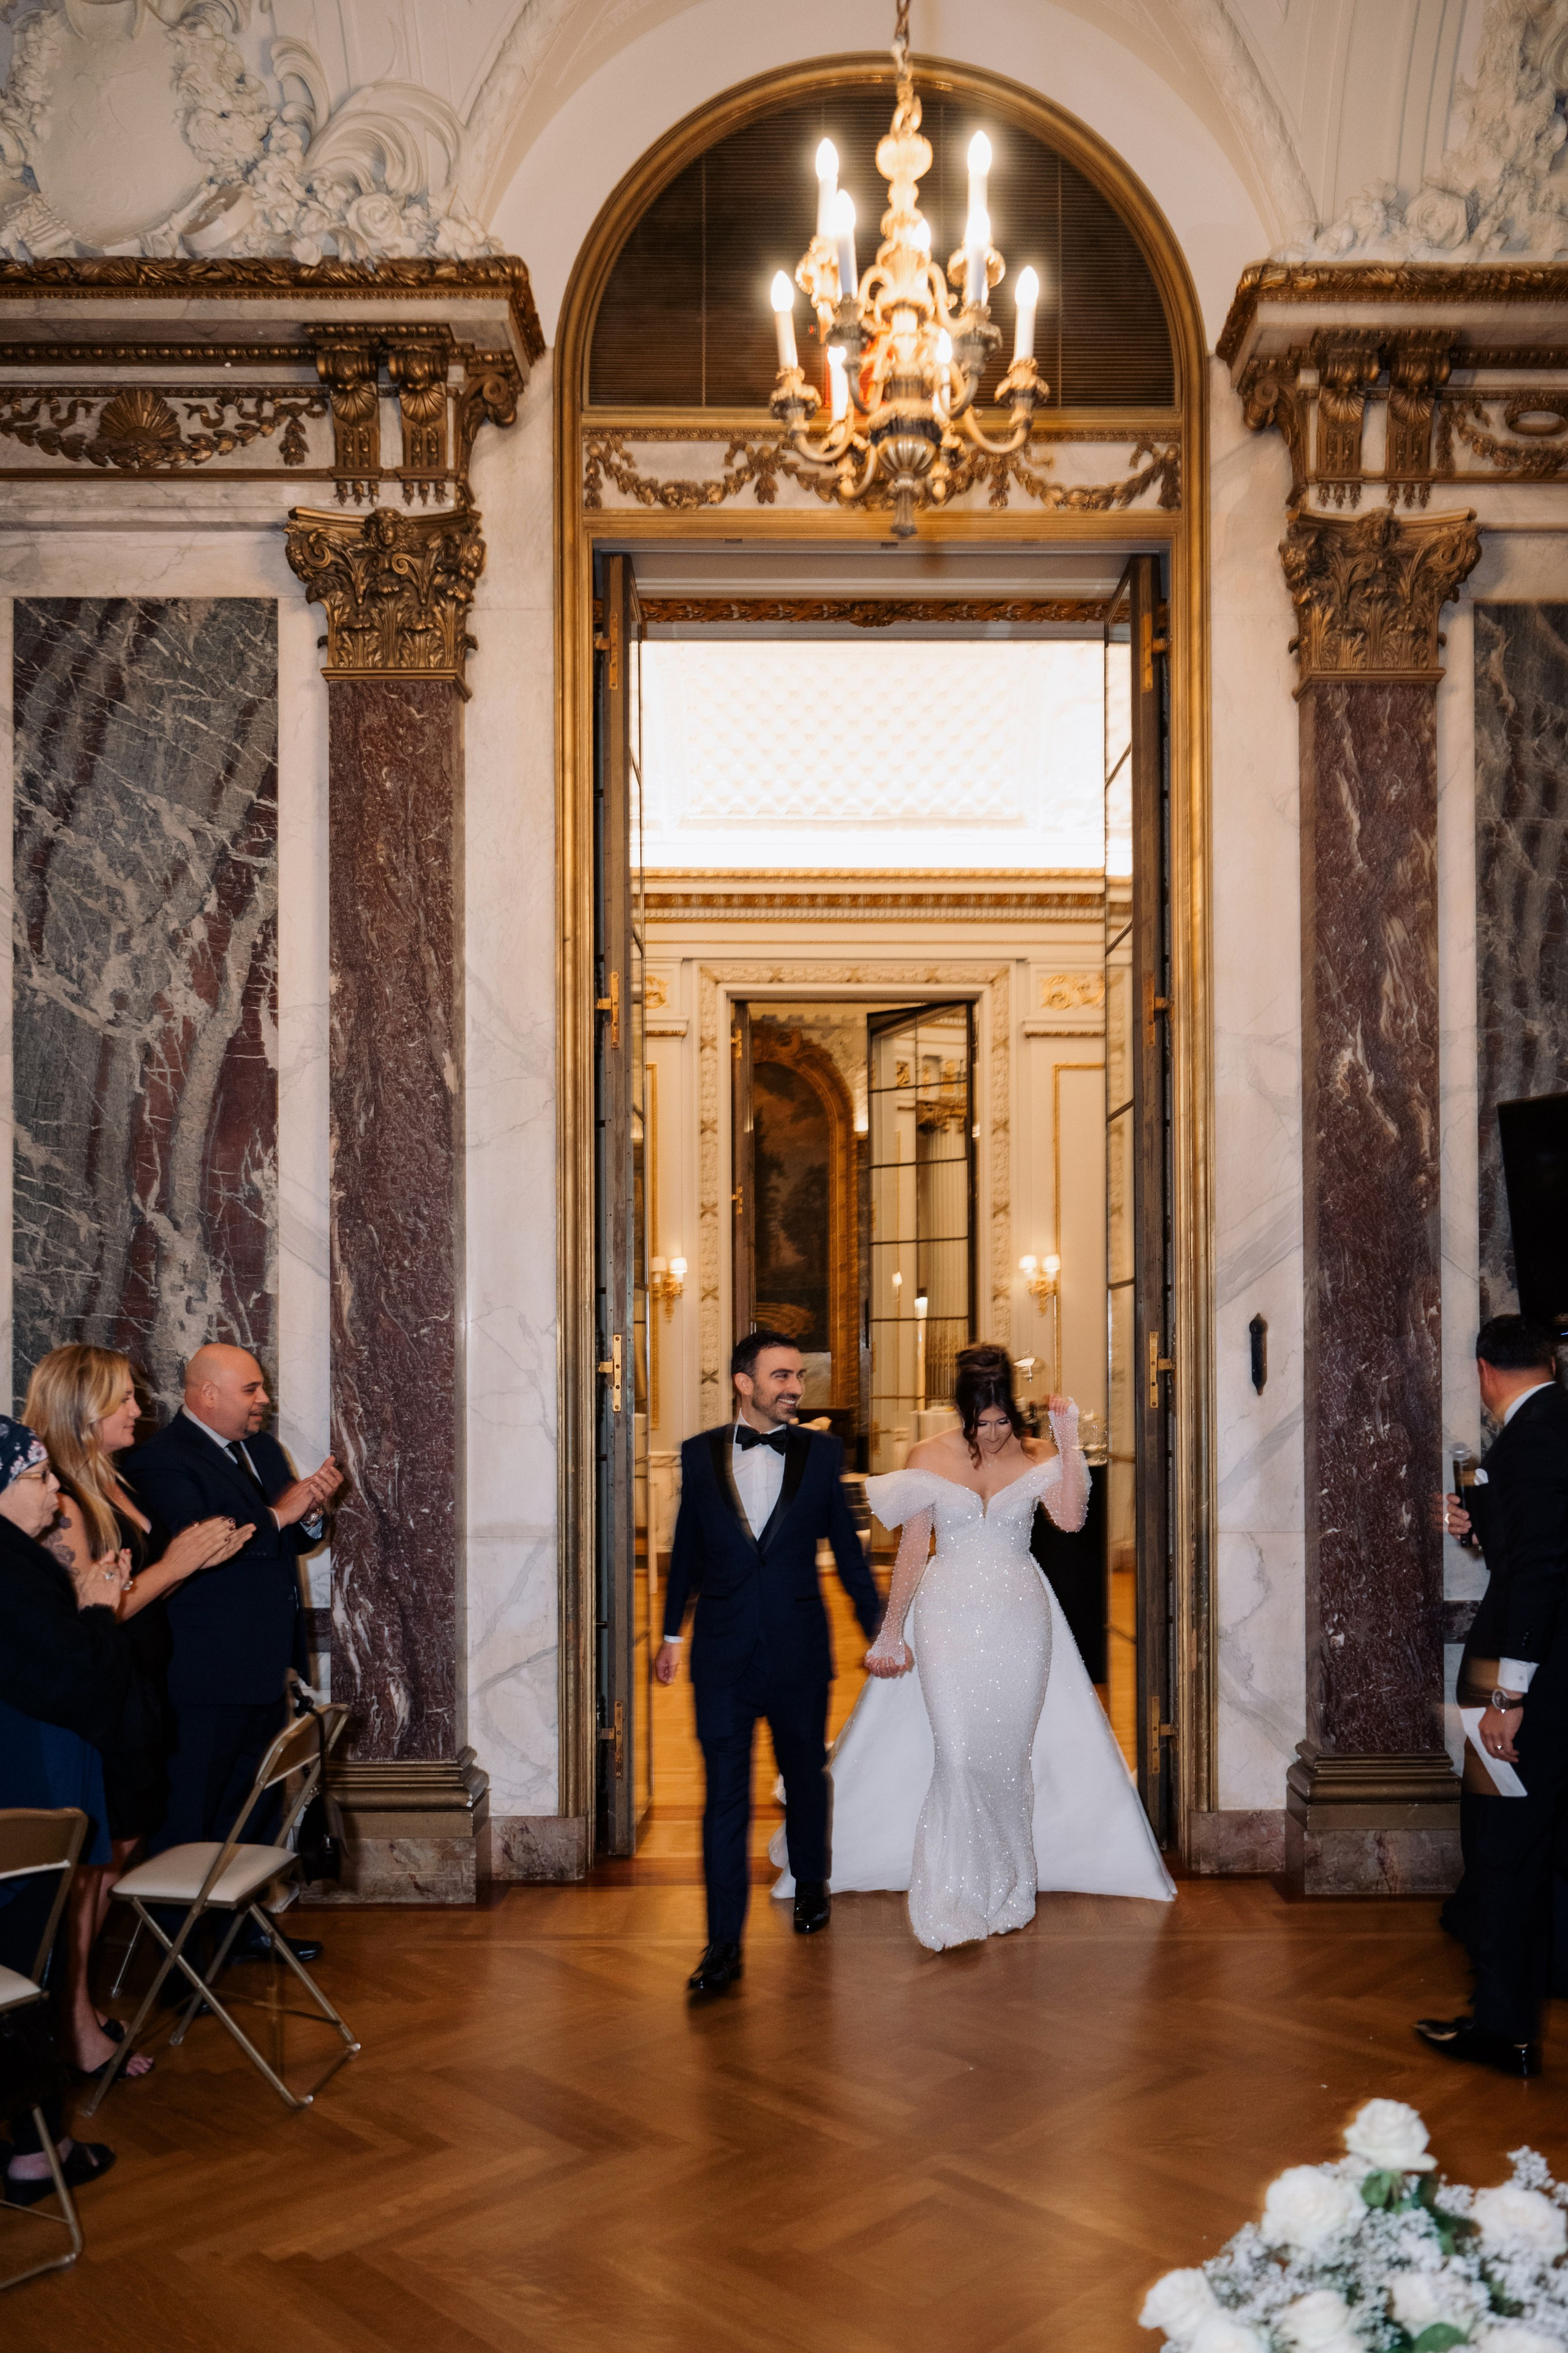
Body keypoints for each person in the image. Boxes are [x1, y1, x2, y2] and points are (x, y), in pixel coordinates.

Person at [776, 1343, 1174, 1951]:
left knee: (1008, 1756)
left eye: (1001, 1420)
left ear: (1013, 1409)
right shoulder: (928, 1455)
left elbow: (1070, 1519)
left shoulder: (1038, 1452)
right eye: (980, 1421)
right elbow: (914, 1548)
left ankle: (1010, 1883)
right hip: (946, 1613)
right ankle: (953, 1891)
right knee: (958, 1753)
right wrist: (890, 1630)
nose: (992, 1433)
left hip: (1020, 1615)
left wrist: (1067, 1438)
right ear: (960, 1411)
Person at [22, 1344, 254, 2074]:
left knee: (112, 1861)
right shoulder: (63, 1499)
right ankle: (73, 2023)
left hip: (135, 1691)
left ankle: (79, 2010)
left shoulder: (107, 1477)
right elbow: (84, 1620)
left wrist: (194, 1562)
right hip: (99, 1702)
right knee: (88, 1872)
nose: (138, 1408)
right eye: (123, 1397)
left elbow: (130, 1587)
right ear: (82, 1409)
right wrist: (178, 1564)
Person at [654, 1329, 882, 1997]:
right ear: (743, 1382)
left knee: (805, 1774)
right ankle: (722, 1943)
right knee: (723, 1796)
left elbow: (848, 1552)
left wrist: (879, 1631)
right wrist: (670, 1635)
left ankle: (812, 1879)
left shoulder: (822, 1453)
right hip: (721, 1656)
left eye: (799, 1377)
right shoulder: (698, 1455)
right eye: (781, 1375)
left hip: (798, 1649)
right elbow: (687, 1550)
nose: (795, 1388)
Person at [124, 1345, 340, 1966]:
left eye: (262, 1388)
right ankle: (179, 1960)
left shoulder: (263, 1450)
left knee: (254, 1811)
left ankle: (241, 1933)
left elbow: (289, 1540)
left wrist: (310, 1512)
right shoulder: (161, 1459)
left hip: (264, 1666)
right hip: (202, 1675)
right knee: (190, 1817)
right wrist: (281, 1512)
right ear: (206, 1394)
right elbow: (209, 1547)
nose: (263, 1400)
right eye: (251, 1390)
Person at [1420, 1314, 1568, 2076]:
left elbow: (1541, 1571)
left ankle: (1504, 2029)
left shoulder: (1530, 1440)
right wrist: (1482, 1527)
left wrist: (1509, 1695)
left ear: (1484, 1371)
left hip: (1530, 1681)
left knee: (1504, 1848)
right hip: (1548, 1673)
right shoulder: (1553, 1426)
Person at [0, 1414, 121, 2202]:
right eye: (37, 1476)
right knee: (29, 1970)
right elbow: (71, 1681)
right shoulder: (13, 1570)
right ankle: (40, 2152)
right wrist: (99, 1608)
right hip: (30, 1791)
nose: (54, 1491)